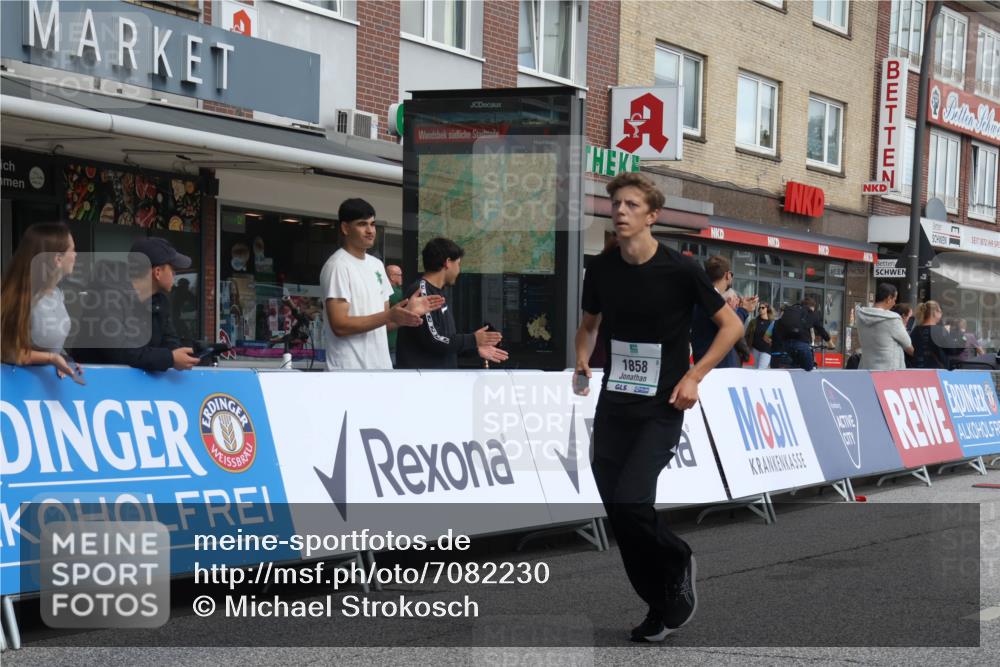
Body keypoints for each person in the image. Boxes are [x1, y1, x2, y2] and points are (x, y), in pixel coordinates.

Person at [573, 172, 743, 642]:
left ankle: (678, 560)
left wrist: (694, 376)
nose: (621, 211)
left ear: (651, 216)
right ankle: (658, 602)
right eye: (616, 204)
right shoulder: (603, 269)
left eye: (631, 205)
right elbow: (589, 325)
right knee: (619, 510)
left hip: (663, 405)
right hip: (615, 404)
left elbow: (732, 328)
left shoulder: (680, 269)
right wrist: (582, 357)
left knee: (632, 499)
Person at [321, 198, 443, 370]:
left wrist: (406, 314)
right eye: (362, 224)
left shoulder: (377, 265)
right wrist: (389, 316)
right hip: (348, 373)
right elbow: (340, 325)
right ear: (345, 228)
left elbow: (384, 323)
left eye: (372, 224)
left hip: (381, 370)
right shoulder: (338, 265)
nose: (370, 230)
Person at [72, 237, 200, 372]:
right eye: (172, 268)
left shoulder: (160, 301)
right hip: (93, 385)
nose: (175, 274)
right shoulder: (106, 298)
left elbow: (170, 341)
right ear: (157, 272)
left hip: (137, 388)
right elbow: (120, 352)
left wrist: (187, 355)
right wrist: (169, 358)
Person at [395, 238, 508, 369]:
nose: (459, 270)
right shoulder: (422, 292)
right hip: (424, 383)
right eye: (458, 264)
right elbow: (435, 340)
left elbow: (446, 341)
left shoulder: (437, 292)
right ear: (448, 263)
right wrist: (473, 339)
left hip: (440, 380)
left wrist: (474, 349)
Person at [0, 223, 81, 379]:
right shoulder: (19, 299)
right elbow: (7, 350)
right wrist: (51, 359)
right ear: (58, 259)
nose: (76, 255)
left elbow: (52, 345)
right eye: (72, 250)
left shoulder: (57, 294)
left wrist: (64, 359)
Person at [690, 256, 742, 369]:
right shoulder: (713, 300)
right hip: (719, 367)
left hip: (703, 364)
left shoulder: (699, 298)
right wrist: (741, 311)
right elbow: (734, 329)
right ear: (728, 275)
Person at [854, 283, 914, 371]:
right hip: (888, 373)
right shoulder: (892, 319)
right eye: (894, 299)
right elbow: (908, 346)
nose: (894, 304)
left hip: (866, 369)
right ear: (889, 298)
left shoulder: (861, 316)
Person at [771, 297, 830, 371]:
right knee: (809, 367)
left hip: (786, 345)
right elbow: (821, 329)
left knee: (795, 364)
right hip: (801, 345)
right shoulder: (809, 313)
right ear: (811, 307)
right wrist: (830, 343)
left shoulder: (791, 312)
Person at [910, 301, 962, 369]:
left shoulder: (915, 330)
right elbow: (953, 350)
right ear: (934, 313)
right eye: (940, 311)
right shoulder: (940, 330)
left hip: (918, 370)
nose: (941, 314)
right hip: (937, 370)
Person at [385, 264, 404, 366]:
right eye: (399, 275)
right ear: (392, 277)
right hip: (391, 344)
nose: (402, 277)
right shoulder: (393, 292)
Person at [746, 303, 774, 369]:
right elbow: (747, 334)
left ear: (767, 309)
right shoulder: (753, 322)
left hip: (766, 350)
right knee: (755, 369)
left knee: (761, 369)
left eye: (763, 308)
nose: (760, 309)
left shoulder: (771, 322)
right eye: (759, 308)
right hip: (755, 349)